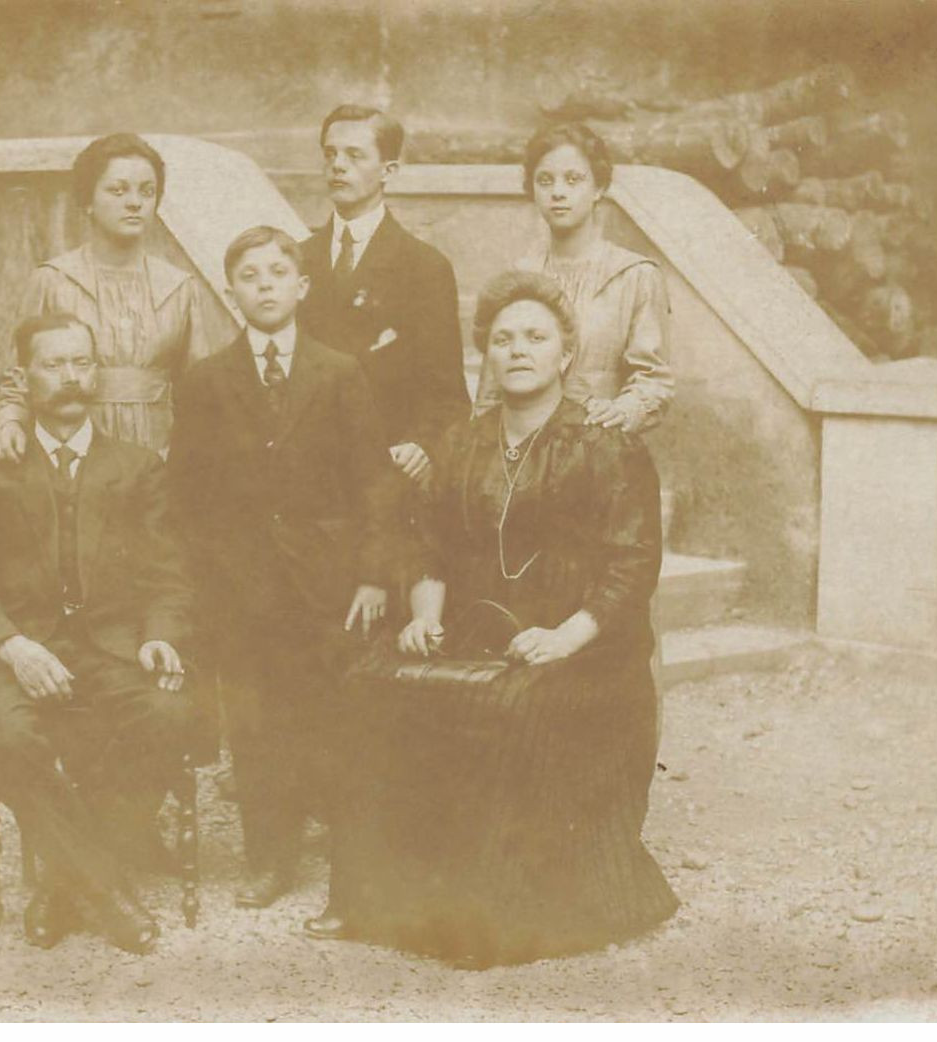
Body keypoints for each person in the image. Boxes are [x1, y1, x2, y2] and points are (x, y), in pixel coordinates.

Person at [305, 270, 678, 966]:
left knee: (514, 704)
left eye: (535, 337)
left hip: (586, 653)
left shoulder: (606, 445)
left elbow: (630, 568)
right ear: (486, 356)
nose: (517, 350)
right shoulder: (462, 442)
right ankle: (375, 899)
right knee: (368, 681)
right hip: (479, 630)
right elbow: (429, 542)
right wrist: (423, 613)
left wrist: (563, 636)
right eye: (502, 339)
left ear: (565, 354)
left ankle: (492, 913)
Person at [0, 312, 195, 952]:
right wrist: (15, 647)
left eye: (82, 363)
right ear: (24, 376)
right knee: (6, 733)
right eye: (55, 364)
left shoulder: (135, 468)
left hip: (111, 647)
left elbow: (170, 576)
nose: (72, 378)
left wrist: (160, 634)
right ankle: (105, 891)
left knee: (169, 713)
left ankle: (63, 884)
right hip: (13, 653)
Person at [168, 226, 397, 910]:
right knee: (254, 724)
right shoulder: (206, 380)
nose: (263, 284)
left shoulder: (339, 371)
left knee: (325, 712)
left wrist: (370, 575)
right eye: (248, 274)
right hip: (239, 588)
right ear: (231, 292)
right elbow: (186, 493)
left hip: (324, 583)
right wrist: (205, 582)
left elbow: (374, 485)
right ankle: (269, 857)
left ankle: (345, 855)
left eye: (276, 272)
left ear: (301, 287)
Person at [0, 133, 232, 459]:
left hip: (157, 454)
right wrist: (10, 424)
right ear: (87, 200)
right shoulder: (53, 280)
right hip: (73, 452)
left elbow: (200, 391)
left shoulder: (178, 287)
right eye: (118, 190)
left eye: (147, 192)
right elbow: (15, 379)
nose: (135, 202)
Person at [298, 104, 471, 484]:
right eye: (330, 154)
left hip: (384, 472)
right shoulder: (296, 261)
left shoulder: (423, 267)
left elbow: (447, 396)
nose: (337, 165)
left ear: (388, 170)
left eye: (354, 155)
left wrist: (422, 446)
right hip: (306, 475)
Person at [473, 122, 675, 434]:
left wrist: (620, 410)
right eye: (545, 181)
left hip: (600, 443)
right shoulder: (519, 276)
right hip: (526, 447)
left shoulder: (634, 276)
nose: (558, 193)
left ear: (598, 188)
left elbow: (653, 380)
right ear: (532, 190)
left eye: (573, 180)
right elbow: (491, 389)